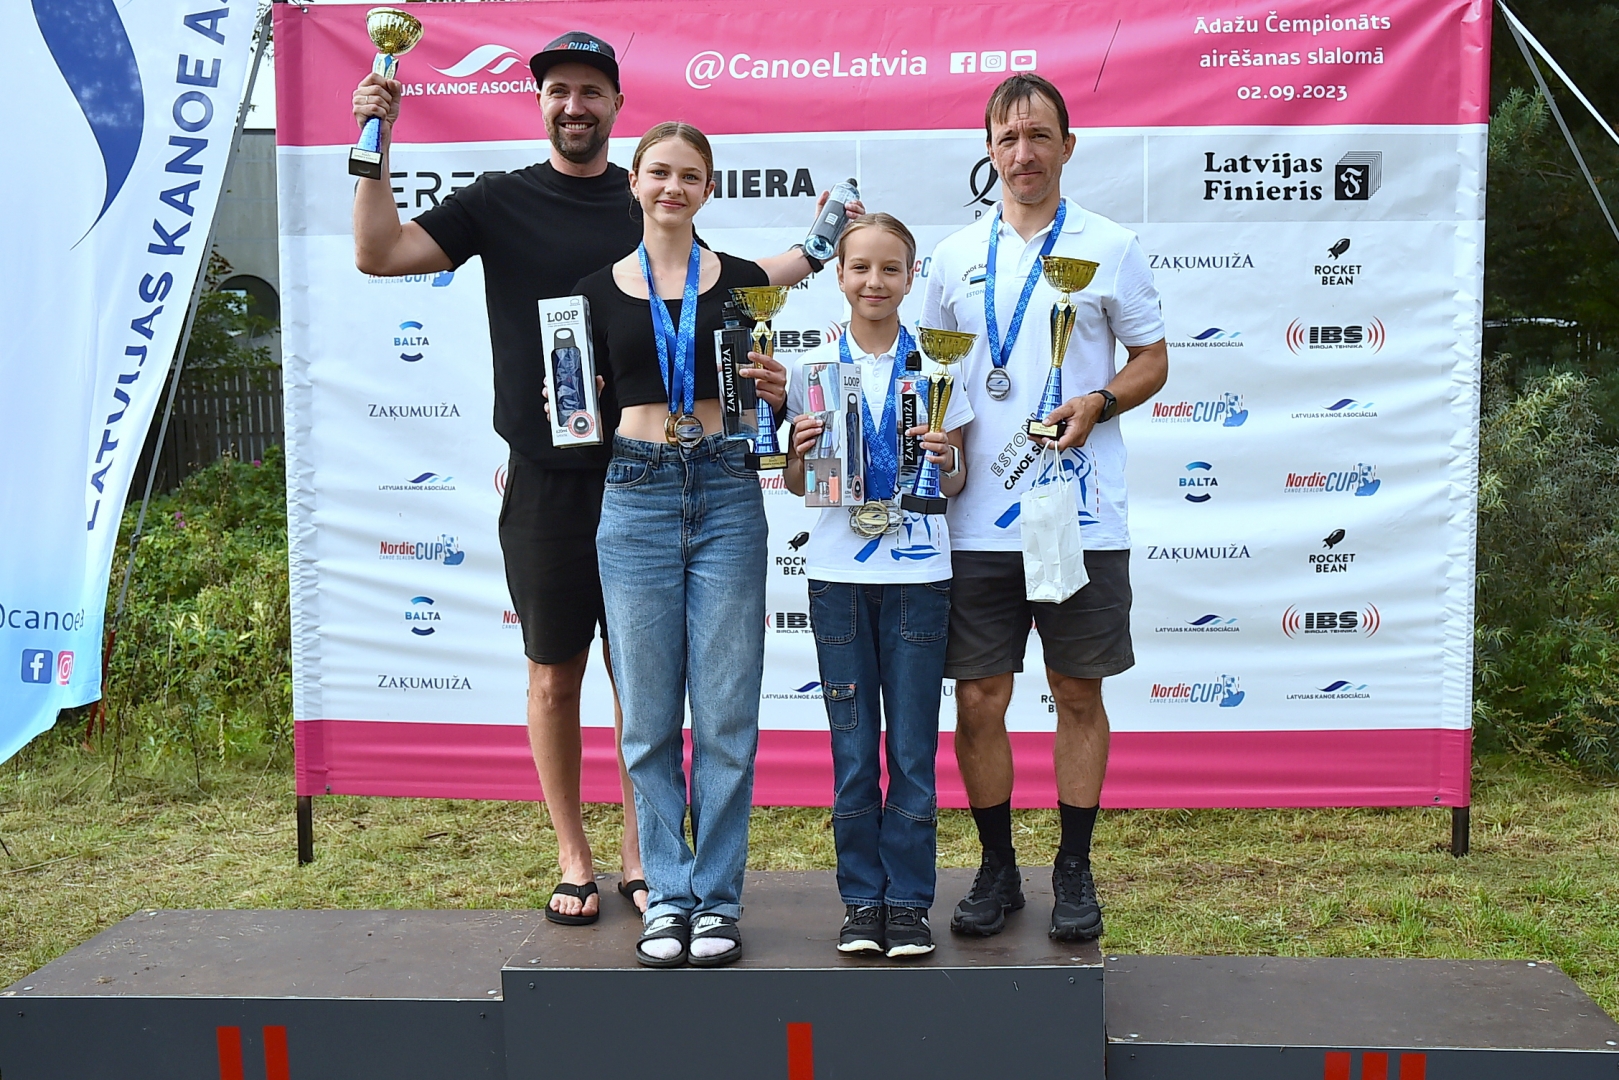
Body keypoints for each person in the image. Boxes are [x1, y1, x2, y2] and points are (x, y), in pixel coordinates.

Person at [350, 33, 837, 925]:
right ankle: (572, 854)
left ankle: (640, 857)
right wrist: (373, 142)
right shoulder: (497, 199)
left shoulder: (649, 190)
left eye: (590, 91)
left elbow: (723, 288)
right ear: (540, 103)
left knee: (641, 686)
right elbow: (378, 253)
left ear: (616, 105)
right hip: (548, 480)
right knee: (553, 676)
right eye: (558, 91)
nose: (573, 105)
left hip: (649, 477)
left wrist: (818, 248)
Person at [922, 74, 1168, 942]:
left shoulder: (1110, 245)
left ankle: (1073, 866)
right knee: (979, 698)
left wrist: (1099, 400)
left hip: (1079, 514)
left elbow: (1152, 359)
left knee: (1075, 692)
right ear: (988, 151)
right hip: (975, 521)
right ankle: (997, 866)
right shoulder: (951, 258)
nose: (1022, 153)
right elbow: (938, 379)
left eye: (1037, 136)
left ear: (1067, 144)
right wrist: (937, 450)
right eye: (1006, 138)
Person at [577, 122, 776, 968]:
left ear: (708, 188)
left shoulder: (747, 285)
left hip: (726, 487)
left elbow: (764, 403)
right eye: (658, 171)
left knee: (725, 715)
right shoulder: (592, 291)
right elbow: (575, 399)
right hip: (635, 493)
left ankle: (716, 899)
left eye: (689, 175)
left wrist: (774, 392)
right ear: (633, 180)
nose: (672, 187)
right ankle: (667, 894)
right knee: (649, 718)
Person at [783, 215, 973, 959]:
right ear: (838, 275)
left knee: (914, 753)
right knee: (855, 750)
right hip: (837, 580)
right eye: (860, 267)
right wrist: (798, 453)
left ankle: (910, 903)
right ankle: (862, 900)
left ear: (910, 276)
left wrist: (943, 458)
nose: (874, 281)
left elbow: (953, 482)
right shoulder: (813, 368)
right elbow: (800, 485)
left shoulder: (938, 365)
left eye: (890, 269)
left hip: (918, 578)